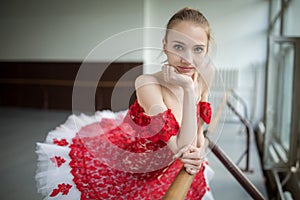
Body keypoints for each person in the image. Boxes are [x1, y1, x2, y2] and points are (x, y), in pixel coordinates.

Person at [36, 7, 215, 200]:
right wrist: (188, 89)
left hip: (168, 167)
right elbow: (181, 148)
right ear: (165, 45)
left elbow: (197, 134)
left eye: (197, 49)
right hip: (136, 167)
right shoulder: (147, 84)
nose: (187, 59)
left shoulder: (206, 73)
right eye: (179, 47)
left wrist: (198, 151)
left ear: (207, 49)